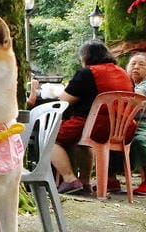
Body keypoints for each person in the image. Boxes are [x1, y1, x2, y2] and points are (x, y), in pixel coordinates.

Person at [29, 40, 133, 194]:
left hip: (97, 126)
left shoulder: (88, 73)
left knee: (48, 137)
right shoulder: (123, 73)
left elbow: (63, 101)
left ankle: (70, 180)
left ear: (85, 57)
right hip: (124, 128)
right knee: (80, 141)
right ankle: (84, 182)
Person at [128, 52, 146, 195]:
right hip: (137, 122)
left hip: (143, 124)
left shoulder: (143, 85)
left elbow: (136, 97)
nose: (136, 67)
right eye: (133, 64)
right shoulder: (131, 84)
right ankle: (110, 179)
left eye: (141, 64)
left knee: (140, 140)